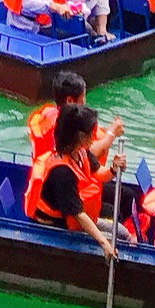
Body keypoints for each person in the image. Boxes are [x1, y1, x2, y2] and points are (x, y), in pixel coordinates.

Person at [23, 100, 124, 254]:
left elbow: (98, 173)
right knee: (118, 240)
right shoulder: (62, 173)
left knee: (124, 234)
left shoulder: (81, 152)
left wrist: (113, 168)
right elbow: (78, 215)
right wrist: (105, 244)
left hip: (77, 216)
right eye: (91, 132)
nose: (94, 135)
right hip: (57, 226)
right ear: (79, 136)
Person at [25, 72, 125, 180]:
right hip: (63, 183)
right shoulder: (62, 128)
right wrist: (111, 133)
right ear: (69, 101)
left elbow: (90, 160)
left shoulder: (49, 116)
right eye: (83, 97)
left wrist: (113, 169)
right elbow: (91, 153)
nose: (85, 102)